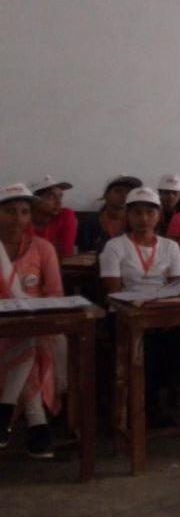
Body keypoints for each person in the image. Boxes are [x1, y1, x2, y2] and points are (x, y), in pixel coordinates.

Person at [99, 187, 180, 427]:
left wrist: (166, 313)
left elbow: (176, 286)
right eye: (137, 212)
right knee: (147, 346)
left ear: (159, 215)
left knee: (179, 342)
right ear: (127, 215)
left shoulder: (170, 247)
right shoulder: (115, 246)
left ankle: (154, 400)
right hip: (126, 314)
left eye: (150, 212)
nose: (144, 218)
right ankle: (143, 407)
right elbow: (114, 292)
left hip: (162, 312)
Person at [0, 183, 65, 458]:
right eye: (9, 211)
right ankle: (37, 423)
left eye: (24, 212)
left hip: (34, 321)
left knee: (29, 338)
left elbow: (55, 294)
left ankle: (5, 414)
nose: (18, 218)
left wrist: (31, 311)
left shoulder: (42, 247)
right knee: (27, 341)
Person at [76, 174, 142, 254]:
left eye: (128, 192)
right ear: (106, 195)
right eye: (118, 191)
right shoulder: (90, 222)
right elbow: (83, 253)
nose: (124, 195)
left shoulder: (138, 222)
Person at [29, 175, 77, 258]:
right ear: (34, 200)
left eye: (60, 196)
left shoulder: (65, 215)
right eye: (51, 196)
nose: (59, 202)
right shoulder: (20, 218)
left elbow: (66, 252)